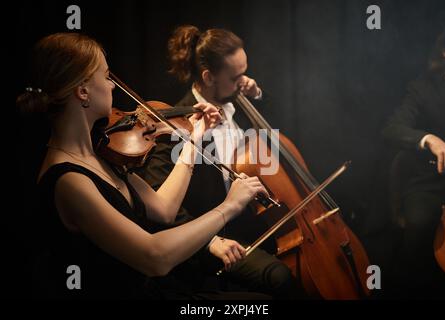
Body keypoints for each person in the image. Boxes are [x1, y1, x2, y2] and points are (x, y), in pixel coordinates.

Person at [17, 32, 271, 299]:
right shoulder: (69, 181)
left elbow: (164, 210)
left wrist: (194, 138)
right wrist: (228, 207)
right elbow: (155, 257)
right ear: (83, 92)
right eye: (106, 77)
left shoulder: (101, 153)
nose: (113, 86)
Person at [134, 25, 300, 298]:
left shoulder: (241, 102)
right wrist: (209, 240)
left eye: (245, 72)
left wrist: (257, 95)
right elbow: (162, 204)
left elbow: (276, 132)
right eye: (236, 77)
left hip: (254, 221)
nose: (243, 81)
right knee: (280, 278)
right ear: (209, 77)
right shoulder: (174, 125)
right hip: (213, 235)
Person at [381, 22, 445, 298]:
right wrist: (429, 138)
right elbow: (391, 129)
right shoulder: (423, 88)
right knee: (421, 226)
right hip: (430, 183)